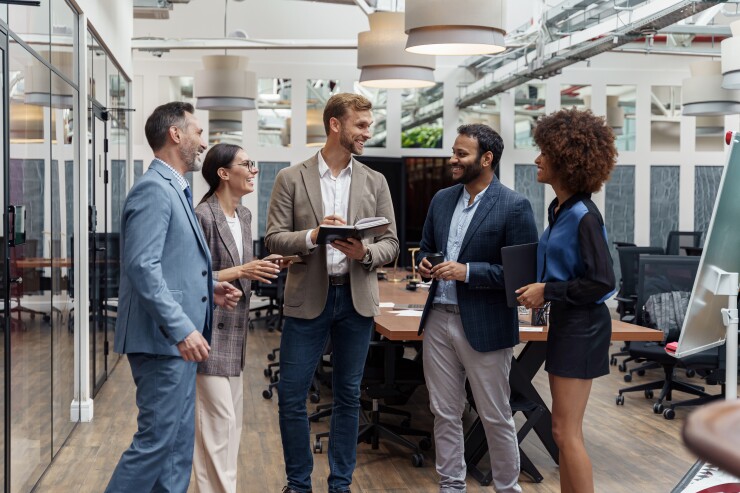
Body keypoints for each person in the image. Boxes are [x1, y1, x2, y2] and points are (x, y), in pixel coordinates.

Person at [265, 92, 399, 493]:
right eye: (360, 125)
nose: (367, 133)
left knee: (347, 395)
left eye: (368, 125)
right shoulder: (291, 178)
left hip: (356, 300)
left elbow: (391, 242)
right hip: (308, 299)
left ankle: (340, 484)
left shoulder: (376, 181)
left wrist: (365, 252)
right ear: (335, 125)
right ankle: (298, 484)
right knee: (291, 396)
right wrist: (314, 234)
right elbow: (273, 239)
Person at [106, 102, 242, 493]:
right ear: (175, 134)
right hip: (163, 340)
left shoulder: (174, 189)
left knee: (178, 447)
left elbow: (171, 263)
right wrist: (183, 328)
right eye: (197, 132)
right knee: (156, 443)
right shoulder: (153, 190)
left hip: (177, 345)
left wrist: (208, 289)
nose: (203, 142)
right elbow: (142, 267)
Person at [417, 123, 538, 493]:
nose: (452, 160)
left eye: (461, 154)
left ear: (487, 159)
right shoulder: (441, 199)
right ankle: (451, 484)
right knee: (444, 412)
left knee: (495, 414)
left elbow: (522, 276)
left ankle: (506, 487)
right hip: (438, 317)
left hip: (485, 325)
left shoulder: (514, 206)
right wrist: (424, 264)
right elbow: (425, 247)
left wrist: (467, 272)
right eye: (453, 152)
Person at [516, 108, 617, 493]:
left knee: (567, 431)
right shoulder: (559, 210)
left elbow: (601, 282)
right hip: (566, 323)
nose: (537, 159)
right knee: (562, 431)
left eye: (544, 152)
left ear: (566, 159)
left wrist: (548, 291)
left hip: (584, 327)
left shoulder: (583, 216)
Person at [192, 143, 285, 493]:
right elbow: (193, 276)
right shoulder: (202, 215)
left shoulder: (243, 216)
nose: (254, 170)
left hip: (236, 335)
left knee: (230, 428)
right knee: (219, 424)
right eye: (247, 164)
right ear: (223, 173)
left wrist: (267, 265)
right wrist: (244, 268)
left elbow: (239, 272)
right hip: (209, 332)